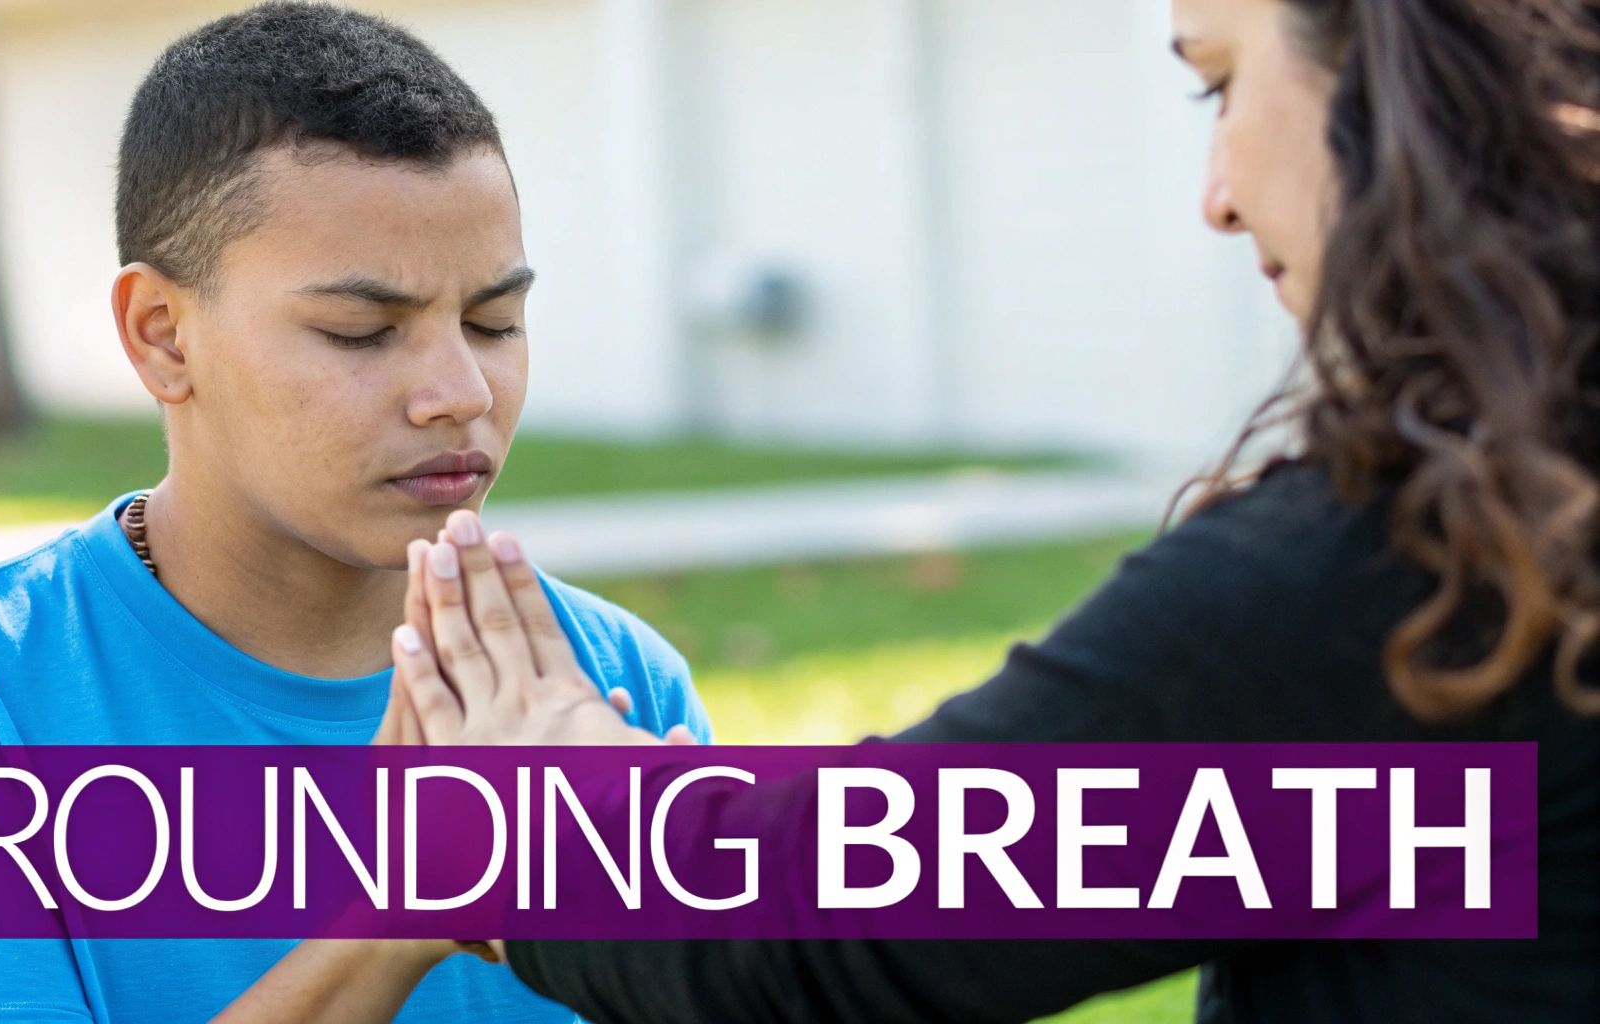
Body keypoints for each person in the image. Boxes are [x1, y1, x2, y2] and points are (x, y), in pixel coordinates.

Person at [362, 0, 1600, 1020]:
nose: (1215, 195)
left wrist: (539, 813)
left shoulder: (1406, 583)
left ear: (1406, 71)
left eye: (1217, 85)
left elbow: (818, 931)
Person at [0, 3, 710, 1022]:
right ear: (161, 336)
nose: (460, 389)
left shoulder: (612, 686)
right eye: (362, 331)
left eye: (492, 320)